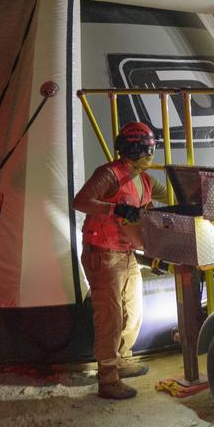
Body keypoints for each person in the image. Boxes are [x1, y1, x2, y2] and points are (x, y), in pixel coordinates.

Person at [73, 121, 169, 400]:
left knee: (133, 310)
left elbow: (167, 194)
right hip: (102, 253)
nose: (150, 154)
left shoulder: (145, 179)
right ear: (134, 149)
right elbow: (81, 201)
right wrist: (115, 207)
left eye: (151, 148)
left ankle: (122, 359)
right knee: (110, 318)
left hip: (126, 253)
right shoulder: (109, 174)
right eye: (147, 149)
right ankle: (108, 378)